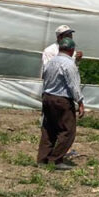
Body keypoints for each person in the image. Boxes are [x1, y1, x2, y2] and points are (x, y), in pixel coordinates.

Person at [38, 37, 84, 169]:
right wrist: (80, 101)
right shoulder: (69, 64)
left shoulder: (50, 62)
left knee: (49, 129)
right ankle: (56, 159)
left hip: (48, 97)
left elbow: (45, 78)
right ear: (71, 50)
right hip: (61, 100)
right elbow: (73, 85)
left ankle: (42, 159)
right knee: (68, 130)